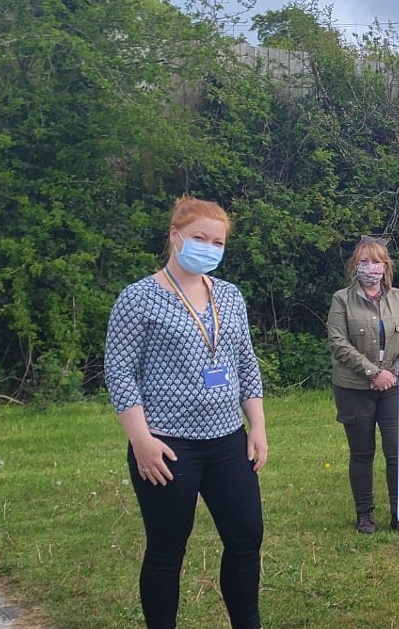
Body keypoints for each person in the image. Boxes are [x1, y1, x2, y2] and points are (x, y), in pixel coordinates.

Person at [105, 196, 268, 629]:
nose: (209, 247)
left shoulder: (230, 296)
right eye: (199, 238)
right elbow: (120, 372)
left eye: (217, 241)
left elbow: (246, 363)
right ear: (175, 236)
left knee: (246, 537)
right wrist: (141, 441)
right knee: (167, 548)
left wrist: (258, 427)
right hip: (166, 445)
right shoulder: (138, 298)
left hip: (228, 441)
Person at [327, 236, 399, 535]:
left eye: (376, 261)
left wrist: (392, 372)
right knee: (362, 452)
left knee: (396, 451)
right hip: (354, 387)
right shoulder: (342, 299)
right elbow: (338, 342)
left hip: (393, 386)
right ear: (355, 265)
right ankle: (364, 515)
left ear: (385, 266)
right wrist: (372, 372)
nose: (370, 267)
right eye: (364, 261)